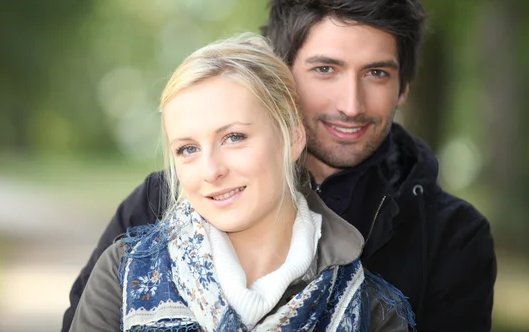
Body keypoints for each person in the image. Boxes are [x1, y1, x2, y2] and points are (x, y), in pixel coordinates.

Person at [62, 0, 496, 332]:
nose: (351, 103)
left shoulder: (451, 238)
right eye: (325, 69)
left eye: (377, 73)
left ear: (404, 87)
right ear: (280, 74)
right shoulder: (160, 202)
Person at [69, 34, 413, 331]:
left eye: (233, 137)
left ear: (292, 138)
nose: (211, 170)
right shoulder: (125, 273)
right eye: (188, 149)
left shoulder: (372, 309)